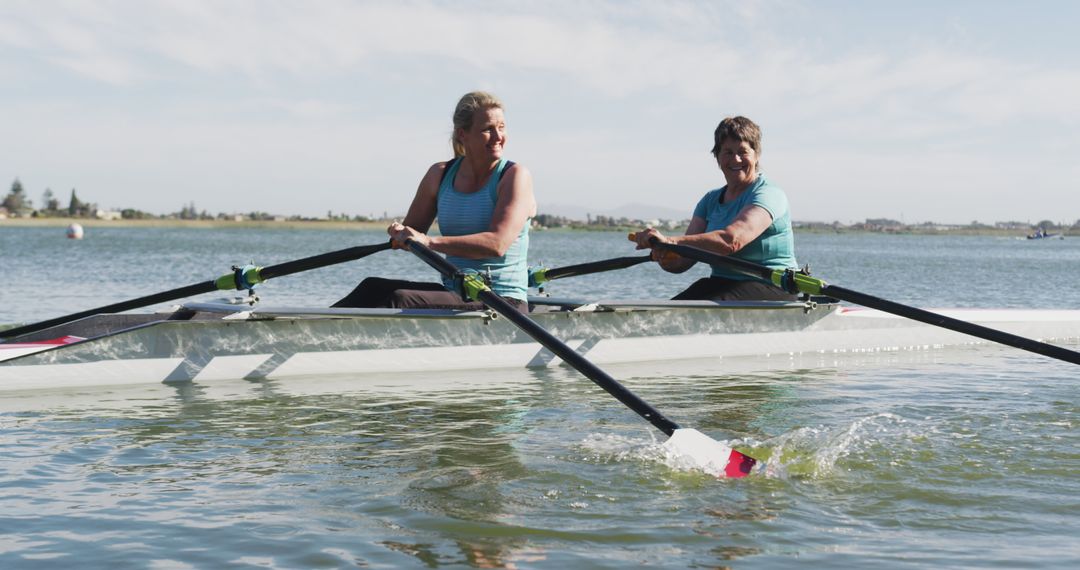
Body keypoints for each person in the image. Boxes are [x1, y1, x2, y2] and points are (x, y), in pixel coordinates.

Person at [333, 91, 536, 312]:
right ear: (462, 134)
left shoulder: (514, 176)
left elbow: (497, 244)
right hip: (457, 293)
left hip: (503, 301)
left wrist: (428, 242)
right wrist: (402, 233)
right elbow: (414, 231)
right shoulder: (440, 175)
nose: (499, 136)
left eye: (502, 127)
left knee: (399, 299)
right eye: (488, 129)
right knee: (371, 287)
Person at [632, 116, 798, 301]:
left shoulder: (768, 194)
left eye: (743, 151)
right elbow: (682, 261)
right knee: (679, 304)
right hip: (722, 282)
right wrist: (663, 252)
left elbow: (731, 241)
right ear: (717, 157)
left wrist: (671, 241)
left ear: (756, 155)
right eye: (727, 152)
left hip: (772, 286)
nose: (735, 159)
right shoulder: (710, 200)